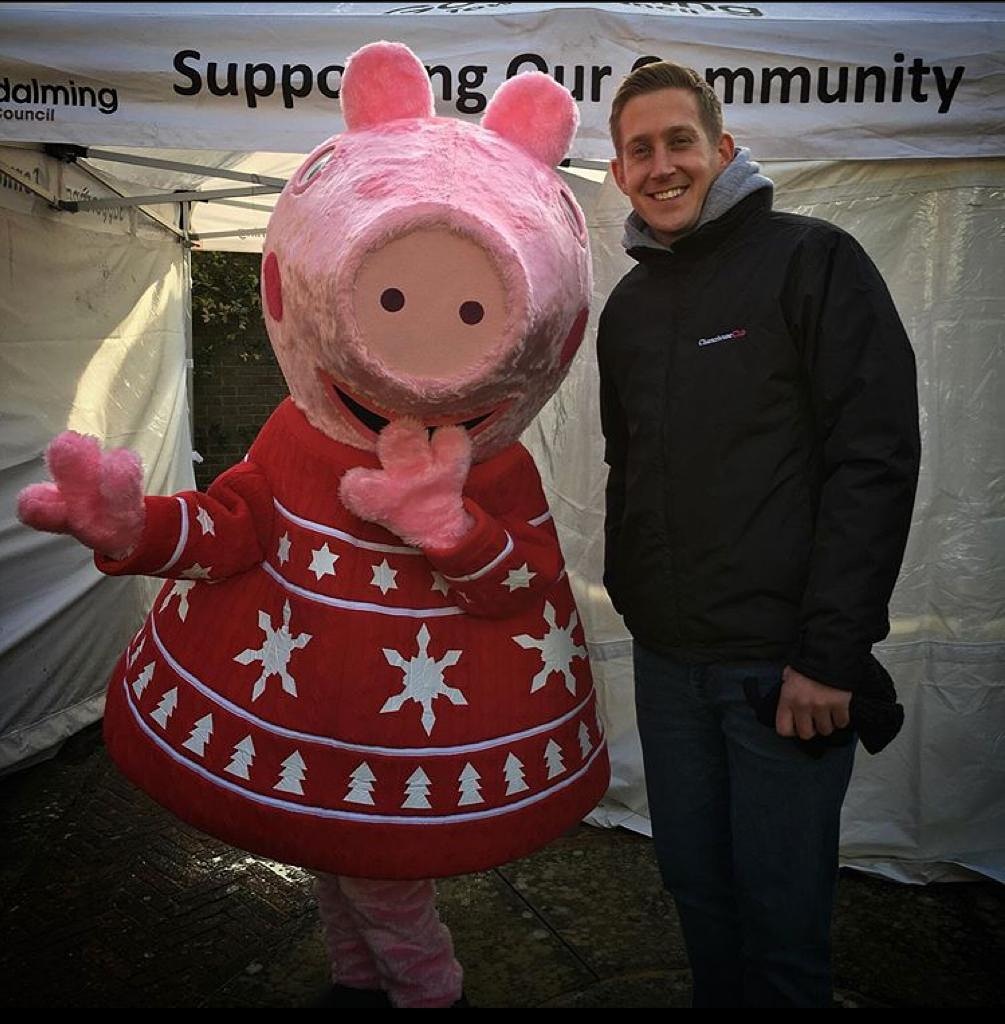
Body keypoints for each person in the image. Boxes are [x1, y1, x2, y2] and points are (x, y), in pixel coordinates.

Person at [597, 61, 921, 1008]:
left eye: (678, 142)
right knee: (697, 892)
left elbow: (875, 459)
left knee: (781, 930)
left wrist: (830, 653)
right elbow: (627, 467)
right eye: (639, 150)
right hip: (668, 666)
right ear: (618, 171)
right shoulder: (627, 307)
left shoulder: (810, 261)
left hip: (783, 674)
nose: (661, 166)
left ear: (722, 149)